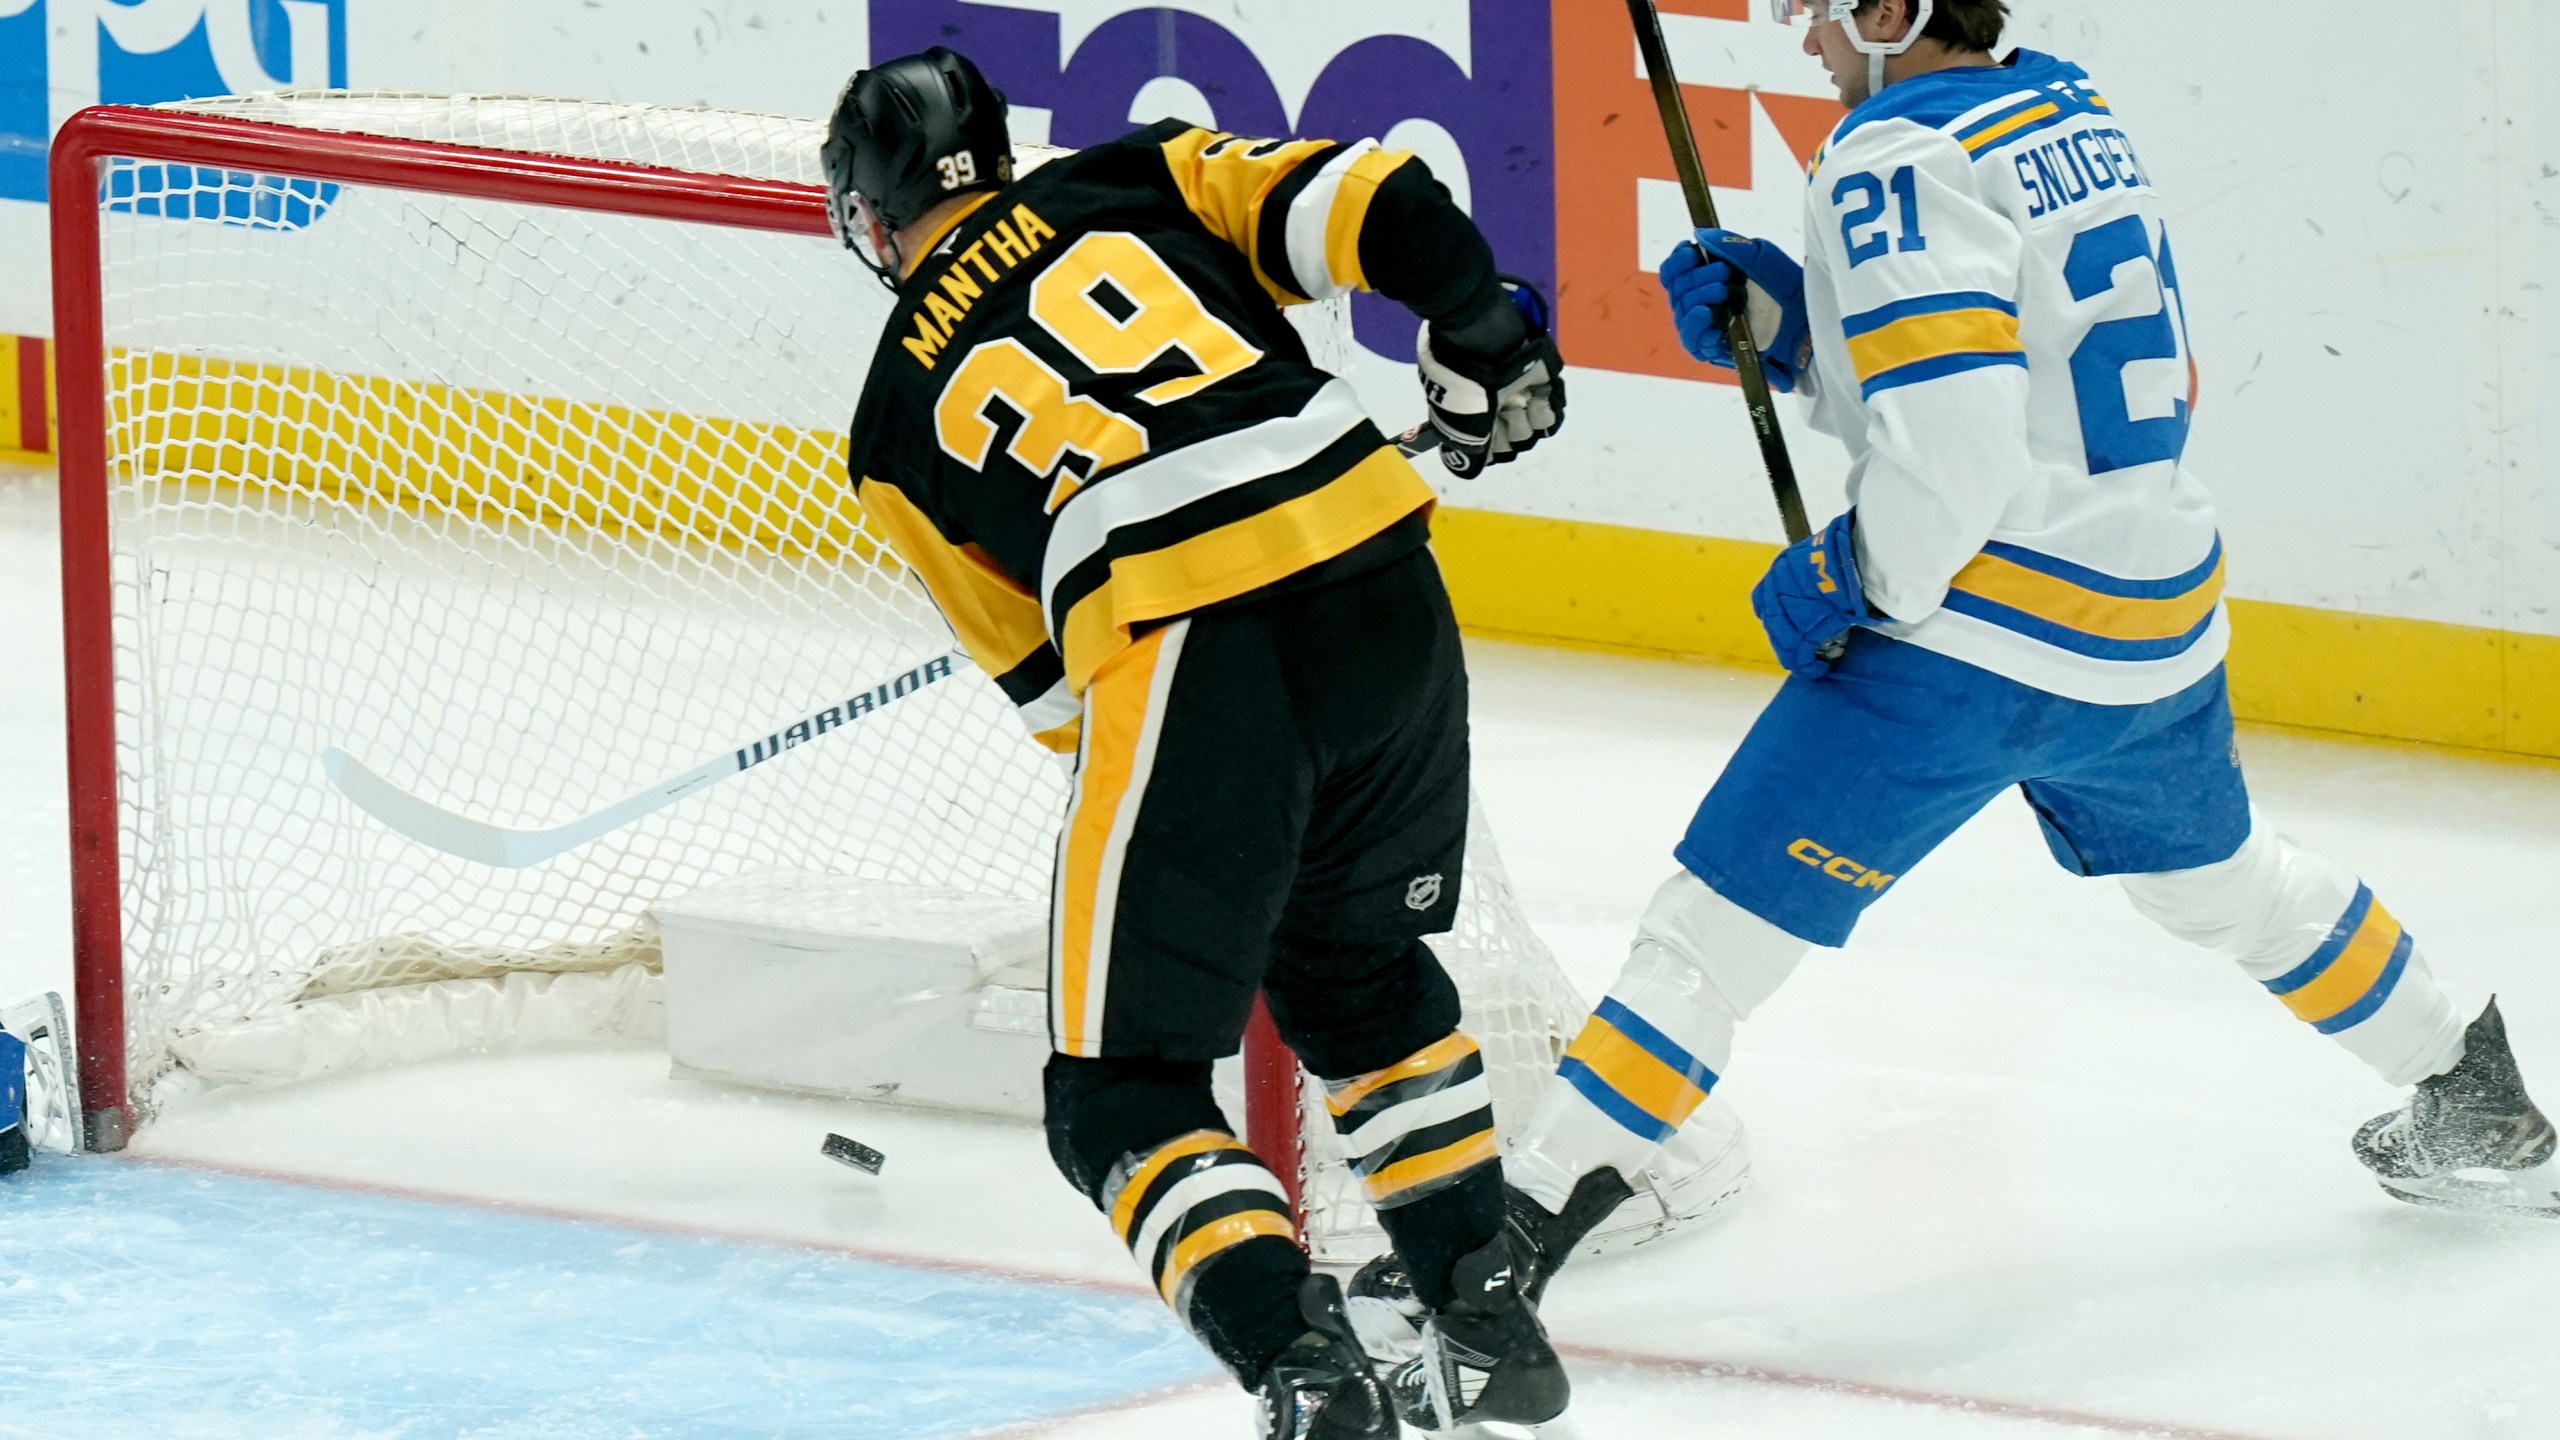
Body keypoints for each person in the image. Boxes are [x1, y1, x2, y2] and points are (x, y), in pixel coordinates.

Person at [1493, 0, 2560, 1298]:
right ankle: (2470, 1090)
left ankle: (1503, 1241)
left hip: (1980, 645)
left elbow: (1953, 450)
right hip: (2154, 622)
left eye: (1826, 11)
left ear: (1894, 12)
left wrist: (1855, 574)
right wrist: (1793, 330)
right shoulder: (2064, 109)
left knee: (1711, 935)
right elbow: (2025, 377)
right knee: (2225, 883)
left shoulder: (1889, 156)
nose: (1805, 36)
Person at [825, 47, 1570, 1438]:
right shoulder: (1134, 175)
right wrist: (1482, 335)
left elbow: (1064, 706)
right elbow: (1384, 195)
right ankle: (1488, 1326)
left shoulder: (888, 435)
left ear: (870, 217)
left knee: (1117, 1094)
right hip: (1388, 595)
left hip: (1197, 661)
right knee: (1355, 972)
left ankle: (1306, 1371)